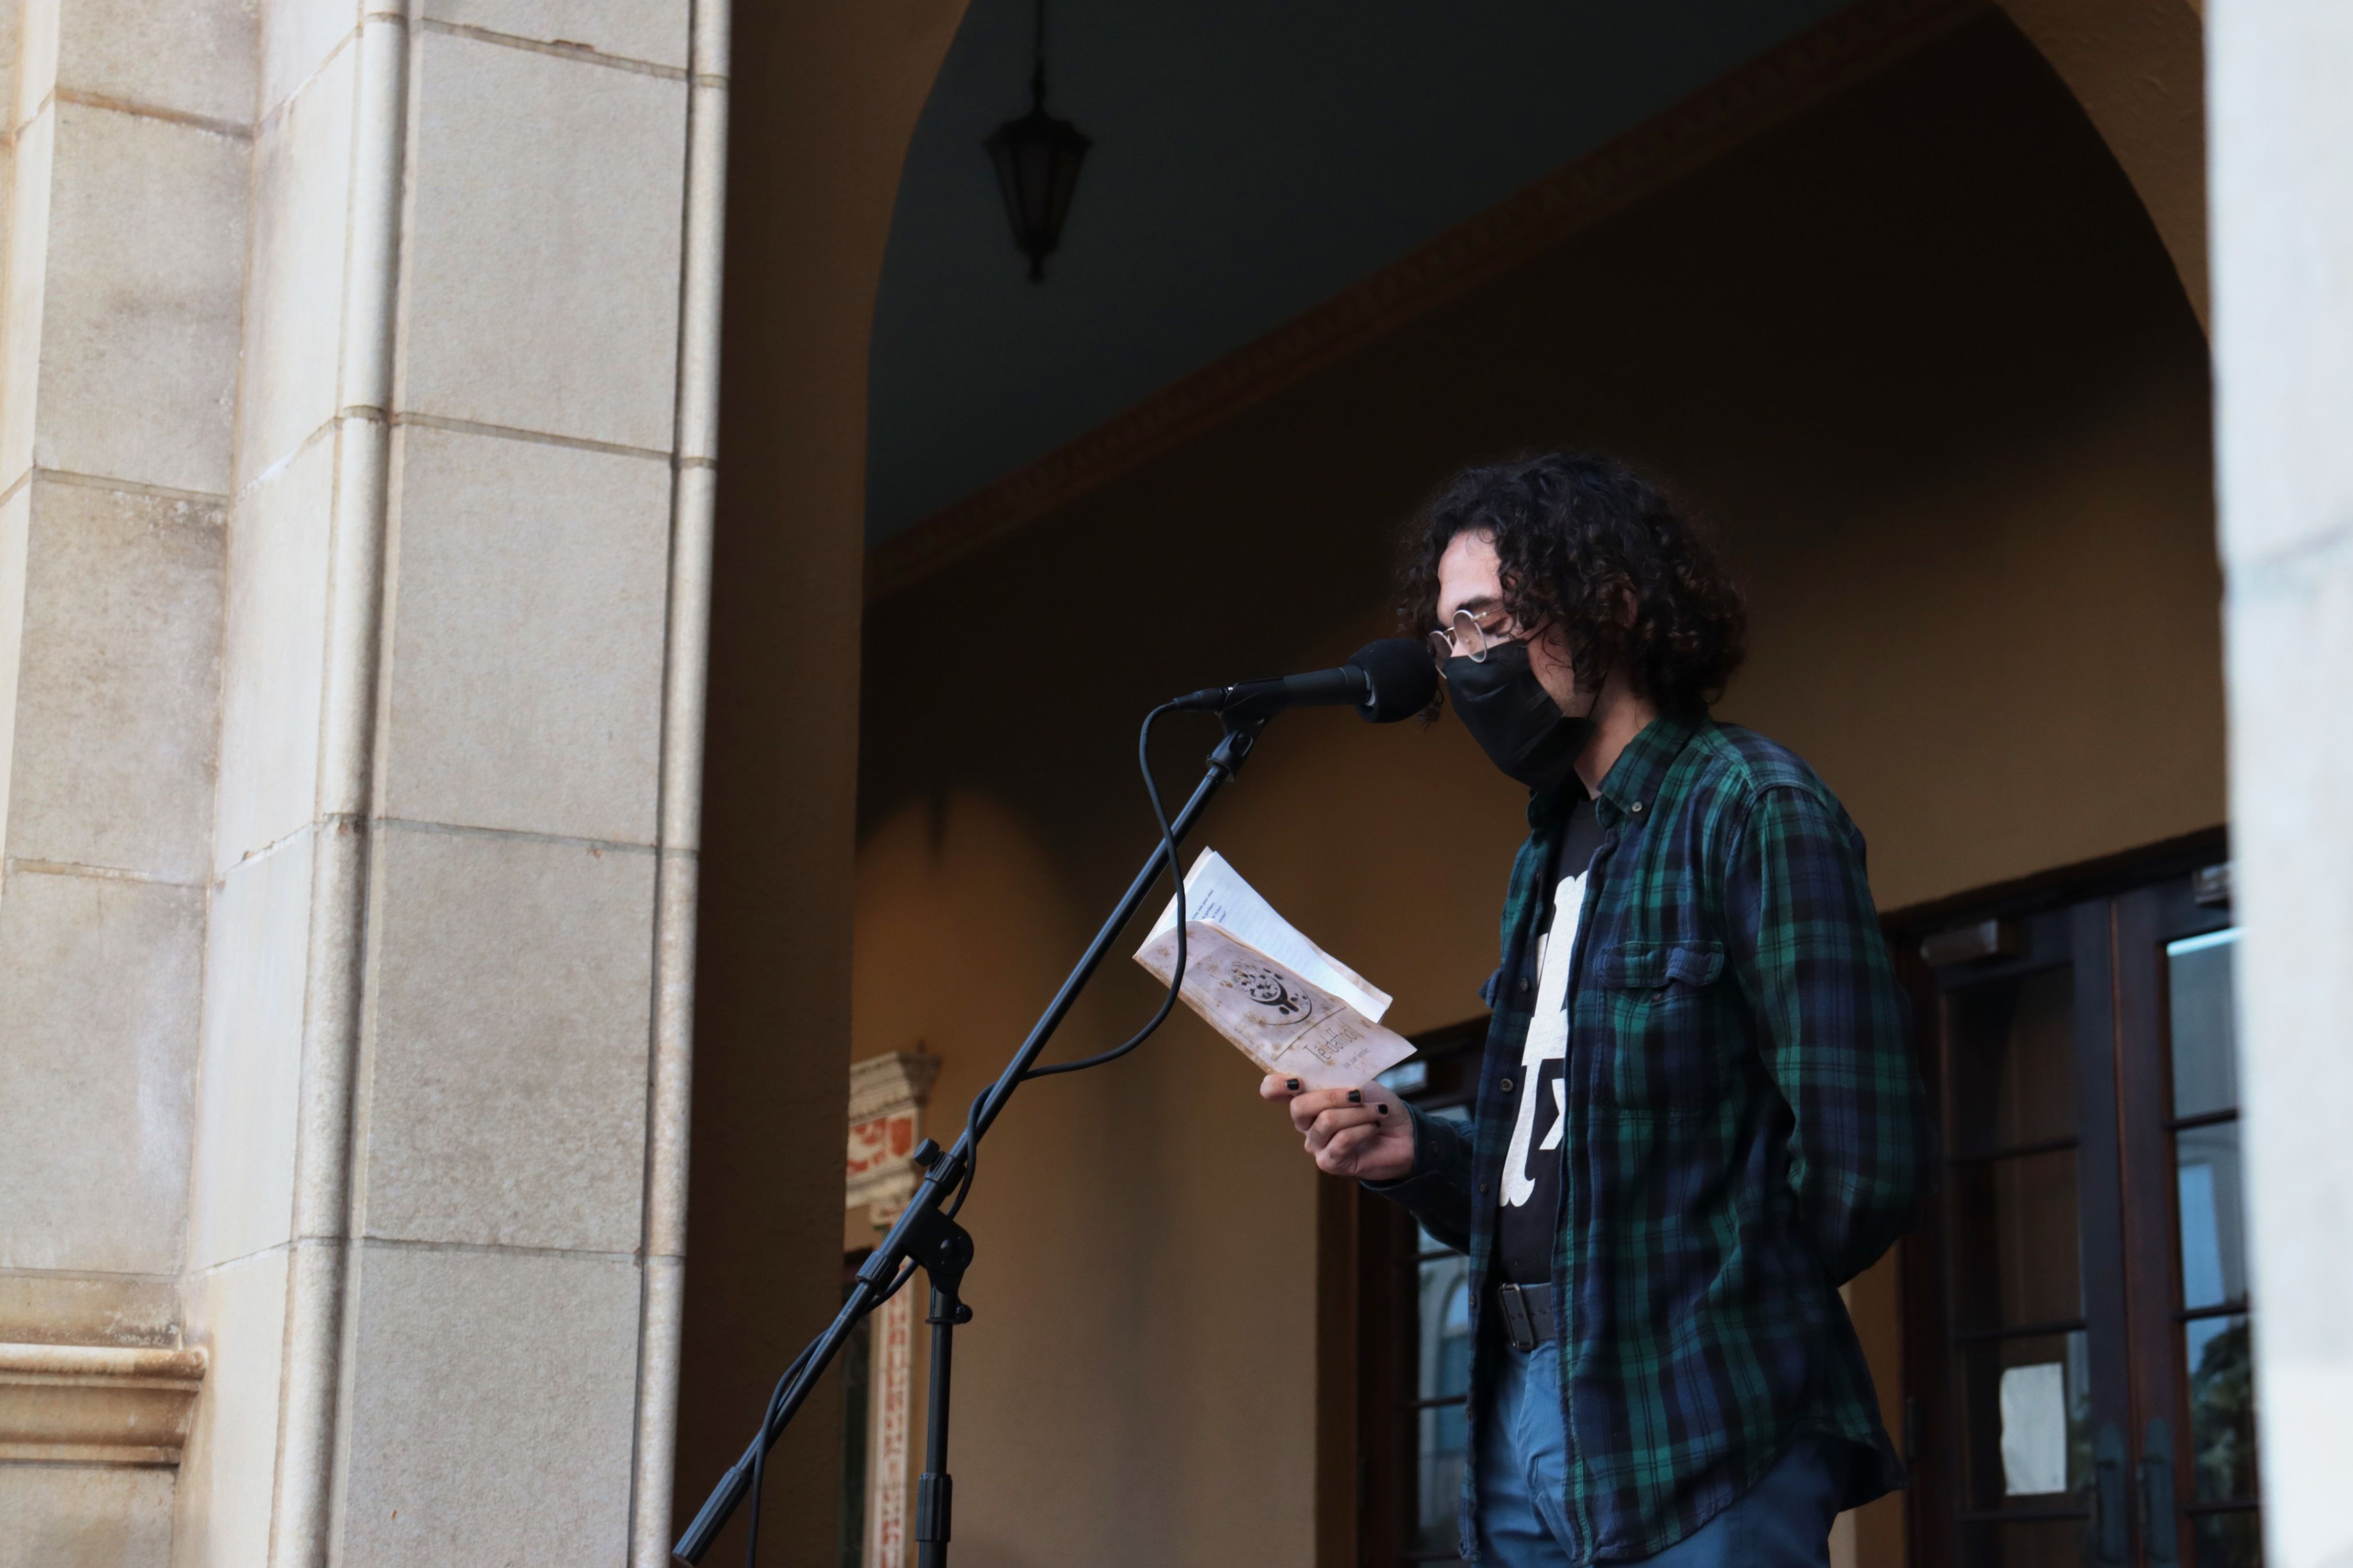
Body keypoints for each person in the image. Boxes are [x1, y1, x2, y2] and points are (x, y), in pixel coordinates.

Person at [1262, 453, 1934, 1567]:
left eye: (1488, 623)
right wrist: (1412, 1148)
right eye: (1447, 638)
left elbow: (1863, 1158)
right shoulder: (1548, 853)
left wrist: (1710, 1329)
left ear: (1610, 602)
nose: (1464, 664)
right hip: (1524, 1402)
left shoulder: (1749, 802)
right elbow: (1555, 1151)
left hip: (1697, 1416)